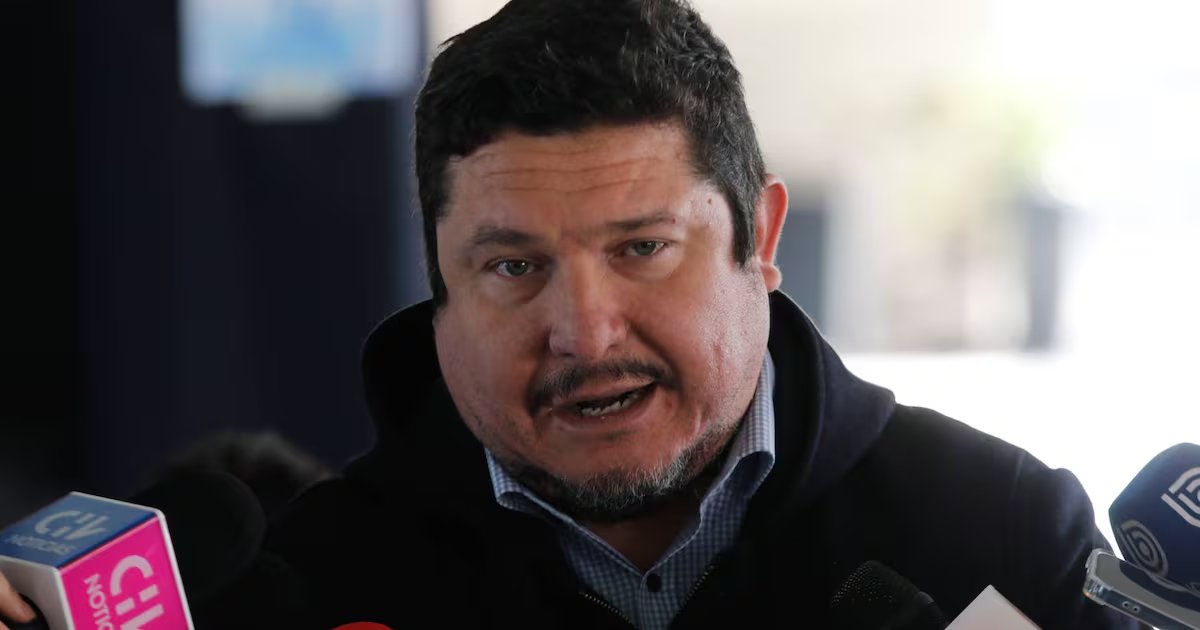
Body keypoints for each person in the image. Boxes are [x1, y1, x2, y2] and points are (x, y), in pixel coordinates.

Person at [0, 1, 1137, 628]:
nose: (585, 333)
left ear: (760, 238)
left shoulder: (995, 530)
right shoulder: (314, 584)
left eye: (642, 249)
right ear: (439, 290)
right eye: (512, 267)